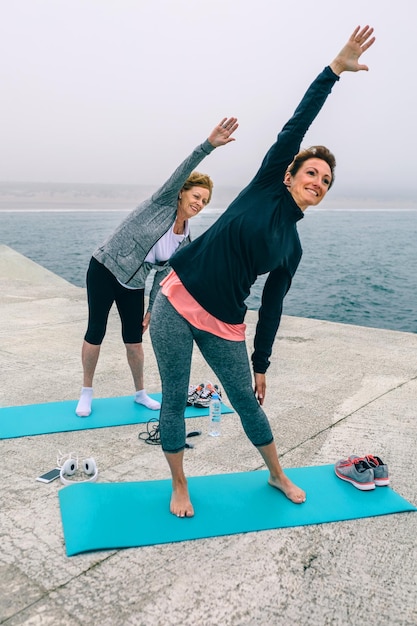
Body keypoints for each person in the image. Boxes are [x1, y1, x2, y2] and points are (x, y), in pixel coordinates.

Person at [149, 26, 376, 517]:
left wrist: (262, 363)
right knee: (172, 397)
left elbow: (271, 307)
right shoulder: (267, 185)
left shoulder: (291, 247)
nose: (318, 181)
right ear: (292, 174)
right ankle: (180, 485)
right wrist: (333, 70)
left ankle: (276, 473)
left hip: (224, 320)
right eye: (312, 172)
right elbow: (297, 123)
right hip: (176, 296)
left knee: (248, 403)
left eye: (326, 181)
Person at [75, 117, 239, 417]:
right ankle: (86, 393)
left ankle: (140, 393)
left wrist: (152, 307)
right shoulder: (162, 202)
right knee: (95, 330)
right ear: (182, 192)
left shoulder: (184, 240)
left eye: (204, 201)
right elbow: (184, 168)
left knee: (134, 341)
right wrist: (208, 146)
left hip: (133, 283)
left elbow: (164, 275)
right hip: (105, 267)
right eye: (196, 196)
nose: (199, 203)